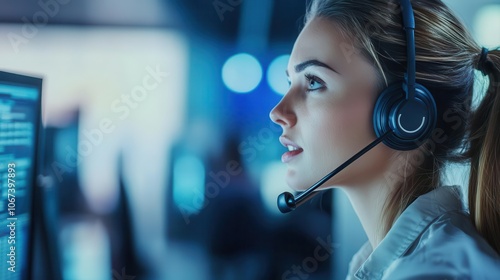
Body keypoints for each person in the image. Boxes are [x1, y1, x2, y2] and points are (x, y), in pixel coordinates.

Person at [269, 0, 500, 279]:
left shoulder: (433, 272)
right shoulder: (406, 263)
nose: (277, 113)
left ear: (406, 114)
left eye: (314, 82)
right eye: (289, 82)